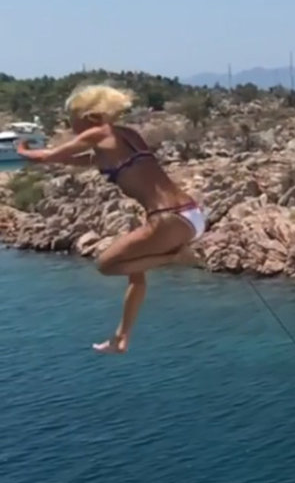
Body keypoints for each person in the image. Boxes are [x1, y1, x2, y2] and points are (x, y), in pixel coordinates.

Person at [17, 84, 206, 354]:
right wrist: (48, 158)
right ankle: (121, 338)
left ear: (88, 116)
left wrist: (22, 149)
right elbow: (89, 161)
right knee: (135, 272)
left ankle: (176, 257)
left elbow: (47, 155)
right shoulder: (128, 136)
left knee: (106, 265)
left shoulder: (98, 133)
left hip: (168, 219)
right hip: (191, 214)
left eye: (71, 120)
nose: (71, 126)